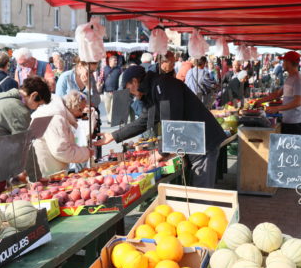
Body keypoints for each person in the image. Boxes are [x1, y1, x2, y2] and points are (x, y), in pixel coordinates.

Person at [94, 66, 227, 188]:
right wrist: (113, 135)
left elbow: (173, 120)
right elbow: (143, 121)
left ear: (135, 81)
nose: (131, 93)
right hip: (194, 140)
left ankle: (203, 212)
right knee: (197, 187)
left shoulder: (162, 86)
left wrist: (162, 151)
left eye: (129, 88)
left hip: (203, 141)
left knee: (201, 190)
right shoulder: (154, 89)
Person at [32, 91, 94, 177]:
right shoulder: (56, 117)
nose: (81, 114)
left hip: (46, 166)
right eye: (80, 110)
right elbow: (61, 151)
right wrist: (86, 153)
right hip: (46, 171)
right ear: (74, 106)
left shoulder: (55, 111)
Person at [254, 51, 301, 135]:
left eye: (284, 61)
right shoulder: (290, 77)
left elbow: (298, 102)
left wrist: (276, 108)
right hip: (288, 120)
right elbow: (278, 94)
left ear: (289, 62)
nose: (282, 63)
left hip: (295, 122)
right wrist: (260, 100)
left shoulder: (297, 79)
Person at [102, 55, 122, 124]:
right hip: (106, 91)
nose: (116, 62)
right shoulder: (105, 68)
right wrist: (99, 83)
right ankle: (109, 117)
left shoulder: (119, 69)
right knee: (107, 106)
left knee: (113, 107)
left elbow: (121, 79)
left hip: (115, 91)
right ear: (110, 61)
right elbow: (101, 77)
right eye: (114, 60)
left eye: (116, 60)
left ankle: (110, 120)